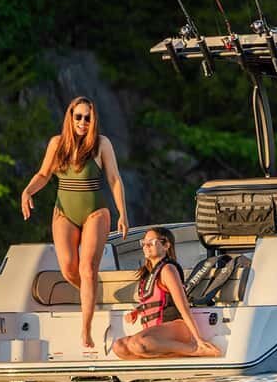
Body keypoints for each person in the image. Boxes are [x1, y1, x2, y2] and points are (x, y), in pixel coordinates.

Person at [20, 96, 128, 350]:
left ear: (93, 120)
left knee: (87, 269)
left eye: (87, 118)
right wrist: (27, 191)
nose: (82, 122)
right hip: (64, 213)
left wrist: (122, 213)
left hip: (95, 212)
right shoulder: (57, 144)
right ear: (70, 117)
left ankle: (86, 330)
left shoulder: (101, 144)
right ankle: (91, 293)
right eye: (78, 117)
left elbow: (114, 179)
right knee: (69, 268)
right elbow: (43, 174)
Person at [111, 227, 221, 359]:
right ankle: (171, 356)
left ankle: (195, 350)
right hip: (155, 333)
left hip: (175, 326)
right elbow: (156, 300)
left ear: (166, 245)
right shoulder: (148, 274)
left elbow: (183, 306)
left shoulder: (168, 269)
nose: (146, 246)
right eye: (144, 243)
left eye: (152, 242)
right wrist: (138, 311)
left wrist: (198, 339)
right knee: (119, 347)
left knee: (137, 344)